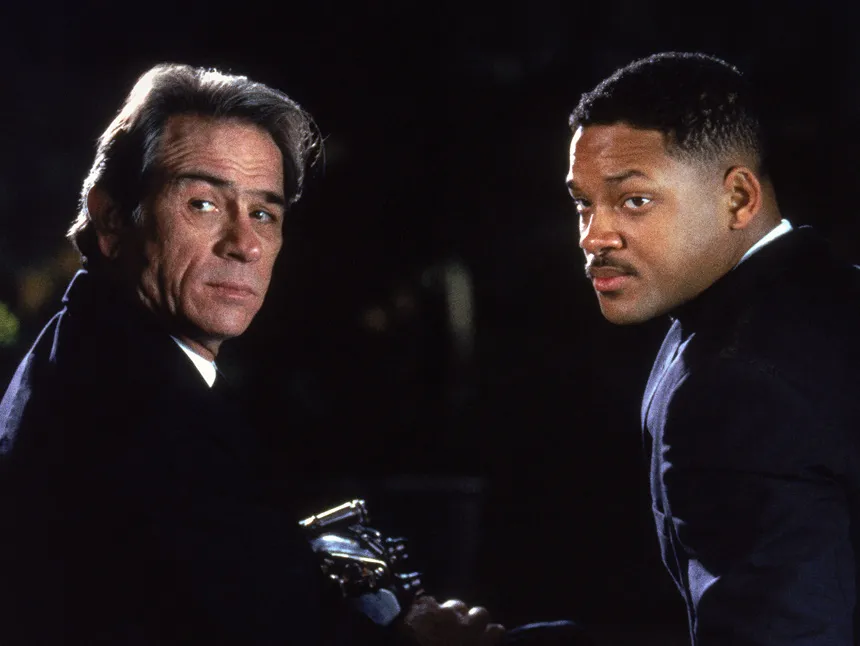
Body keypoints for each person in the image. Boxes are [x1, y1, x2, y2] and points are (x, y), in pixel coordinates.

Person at [0, 63, 513, 646]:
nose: (244, 244)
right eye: (203, 204)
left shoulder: (102, 354)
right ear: (111, 219)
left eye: (264, 213)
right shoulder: (131, 408)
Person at [566, 52, 860, 644]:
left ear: (739, 199)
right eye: (583, 203)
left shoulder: (735, 383)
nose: (594, 236)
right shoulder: (826, 295)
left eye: (634, 200)